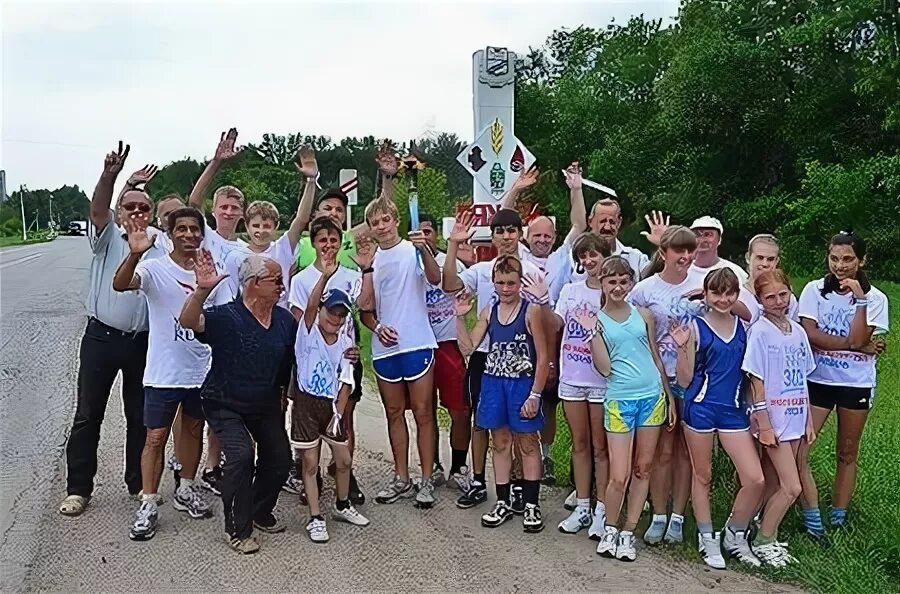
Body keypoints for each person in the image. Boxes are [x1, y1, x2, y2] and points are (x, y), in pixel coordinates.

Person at [58, 145, 168, 517]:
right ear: (119, 213)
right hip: (101, 338)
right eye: (130, 207)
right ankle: (78, 489)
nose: (137, 212)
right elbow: (97, 207)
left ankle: (138, 483)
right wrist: (111, 175)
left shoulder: (160, 243)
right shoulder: (107, 236)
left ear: (151, 213)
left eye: (143, 207)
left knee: (140, 415)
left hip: (143, 342)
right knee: (89, 413)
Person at [179, 252, 294, 554]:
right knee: (241, 456)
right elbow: (189, 321)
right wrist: (202, 291)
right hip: (223, 401)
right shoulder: (226, 316)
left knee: (280, 460)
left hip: (265, 402)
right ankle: (237, 528)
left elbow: (295, 356)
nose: (282, 286)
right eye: (276, 281)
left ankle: (257, 509)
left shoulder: (283, 319)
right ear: (254, 284)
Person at [112, 206, 213, 541]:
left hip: (200, 368)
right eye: (181, 229)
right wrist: (134, 254)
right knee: (155, 437)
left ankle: (185, 488)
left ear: (202, 233)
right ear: (170, 234)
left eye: (195, 229)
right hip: (163, 371)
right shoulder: (155, 268)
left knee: (194, 429)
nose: (189, 235)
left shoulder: (210, 268)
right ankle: (148, 501)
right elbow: (121, 283)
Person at [442, 209, 544, 511]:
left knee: (520, 431)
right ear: (494, 235)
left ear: (519, 233)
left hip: (521, 359)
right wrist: (452, 245)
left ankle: (520, 489)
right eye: (500, 231)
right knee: (483, 422)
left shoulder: (533, 271)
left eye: (512, 231)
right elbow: (450, 284)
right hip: (486, 355)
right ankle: (478, 480)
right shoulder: (483, 270)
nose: (506, 237)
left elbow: (545, 321)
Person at [576, 256, 675, 562]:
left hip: (652, 398)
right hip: (620, 401)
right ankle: (609, 528)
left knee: (643, 468)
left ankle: (629, 531)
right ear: (602, 284)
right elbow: (604, 368)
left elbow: (656, 358)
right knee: (619, 474)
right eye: (611, 282)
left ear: (631, 283)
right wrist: (592, 334)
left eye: (623, 281)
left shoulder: (643, 314)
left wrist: (669, 397)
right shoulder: (597, 321)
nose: (618, 287)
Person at [671, 268, 765, 569]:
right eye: (717, 293)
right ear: (706, 295)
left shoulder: (744, 327)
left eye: (729, 293)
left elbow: (750, 373)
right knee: (703, 474)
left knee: (755, 478)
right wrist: (683, 347)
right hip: (700, 407)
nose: (723, 299)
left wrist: (756, 411)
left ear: (737, 294)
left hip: (733, 410)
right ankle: (706, 536)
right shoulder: (696, 327)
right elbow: (684, 382)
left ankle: (734, 533)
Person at [797, 231, 888, 535]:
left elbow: (860, 336)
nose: (840, 265)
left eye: (848, 259)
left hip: (855, 383)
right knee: (800, 449)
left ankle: (839, 516)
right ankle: (808, 512)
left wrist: (860, 303)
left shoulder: (875, 298)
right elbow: (811, 335)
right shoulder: (813, 291)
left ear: (862, 260)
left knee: (847, 452)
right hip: (819, 379)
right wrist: (855, 345)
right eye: (834, 258)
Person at [357, 196, 441, 508]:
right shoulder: (371, 259)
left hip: (417, 342)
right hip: (385, 348)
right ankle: (401, 477)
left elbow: (434, 279)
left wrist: (425, 250)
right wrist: (378, 328)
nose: (381, 227)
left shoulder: (412, 249)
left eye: (385, 220)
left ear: (395, 220)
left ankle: (427, 479)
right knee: (394, 413)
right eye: (375, 222)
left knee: (423, 413)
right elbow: (365, 310)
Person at [628, 225, 703, 545]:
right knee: (662, 450)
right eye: (679, 251)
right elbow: (627, 328)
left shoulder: (702, 285)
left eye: (690, 251)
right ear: (664, 253)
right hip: (657, 378)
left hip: (693, 377)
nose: (685, 257)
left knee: (686, 452)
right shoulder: (645, 290)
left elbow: (733, 311)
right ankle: (658, 513)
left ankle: (678, 516)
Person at [186, 128, 250, 493]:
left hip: (233, 328)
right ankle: (205, 465)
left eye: (234, 207)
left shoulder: (243, 250)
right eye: (223, 206)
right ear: (215, 210)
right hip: (205, 322)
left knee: (228, 397)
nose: (228, 211)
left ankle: (225, 460)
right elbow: (193, 200)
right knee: (205, 396)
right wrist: (216, 163)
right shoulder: (205, 235)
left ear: (241, 214)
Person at [287, 215, 366, 505]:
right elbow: (301, 319)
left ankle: (344, 471)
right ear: (314, 243)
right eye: (323, 240)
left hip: (344, 357)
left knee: (343, 415)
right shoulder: (301, 279)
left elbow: (365, 306)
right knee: (307, 416)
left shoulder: (350, 275)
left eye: (334, 239)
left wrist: (366, 268)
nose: (329, 245)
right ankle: (310, 473)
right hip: (312, 360)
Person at [290, 262, 370, 543]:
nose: (334, 319)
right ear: (321, 310)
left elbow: (347, 381)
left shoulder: (346, 343)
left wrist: (338, 411)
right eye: (331, 312)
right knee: (310, 464)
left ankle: (342, 504)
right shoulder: (307, 331)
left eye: (340, 315)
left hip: (331, 407)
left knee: (344, 459)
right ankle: (315, 517)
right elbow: (310, 306)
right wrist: (324, 276)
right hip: (306, 404)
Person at [469, 255, 550, 532]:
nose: (505, 288)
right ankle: (502, 500)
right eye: (500, 283)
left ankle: (531, 503)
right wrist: (458, 316)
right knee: (500, 443)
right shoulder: (489, 312)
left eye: (511, 283)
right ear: (493, 283)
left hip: (521, 383)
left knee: (527, 442)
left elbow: (542, 356)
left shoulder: (531, 311)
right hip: (494, 382)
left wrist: (535, 394)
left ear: (520, 284)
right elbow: (469, 346)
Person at [742, 269, 817, 567]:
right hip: (774, 419)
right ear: (759, 300)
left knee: (775, 483)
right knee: (792, 486)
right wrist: (764, 423)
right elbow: (755, 380)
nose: (777, 301)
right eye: (769, 297)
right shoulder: (760, 332)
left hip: (797, 415)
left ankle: (752, 529)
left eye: (782, 294)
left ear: (790, 292)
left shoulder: (797, 331)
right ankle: (764, 540)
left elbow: (802, 378)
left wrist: (809, 419)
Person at [551, 233, 612, 537]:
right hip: (572, 378)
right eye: (583, 257)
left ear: (605, 255)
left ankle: (603, 510)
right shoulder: (570, 291)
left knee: (602, 447)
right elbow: (556, 325)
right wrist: (539, 301)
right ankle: (582, 506)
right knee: (580, 444)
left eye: (594, 255)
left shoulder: (613, 293)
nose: (589, 261)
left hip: (602, 380)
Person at [420, 213, 472, 490]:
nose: (424, 236)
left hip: (447, 343)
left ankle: (459, 466)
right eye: (418, 232)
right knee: (424, 410)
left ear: (436, 234)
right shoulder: (408, 263)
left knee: (461, 410)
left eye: (428, 231)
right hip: (419, 345)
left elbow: (464, 293)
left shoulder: (451, 264)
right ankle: (433, 467)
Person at [220, 196, 311, 309]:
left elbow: (301, 220)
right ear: (247, 227)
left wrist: (310, 182)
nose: (261, 231)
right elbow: (229, 294)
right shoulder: (234, 256)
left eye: (267, 226)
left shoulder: (283, 249)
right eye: (256, 226)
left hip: (278, 317)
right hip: (247, 318)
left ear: (275, 227)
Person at [741, 234, 799, 324]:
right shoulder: (737, 296)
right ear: (748, 258)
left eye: (770, 259)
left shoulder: (787, 297)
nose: (765, 264)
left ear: (777, 261)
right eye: (760, 258)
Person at [686, 216, 749, 286]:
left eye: (708, 235)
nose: (702, 240)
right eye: (697, 235)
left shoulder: (735, 272)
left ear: (719, 239)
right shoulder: (680, 270)